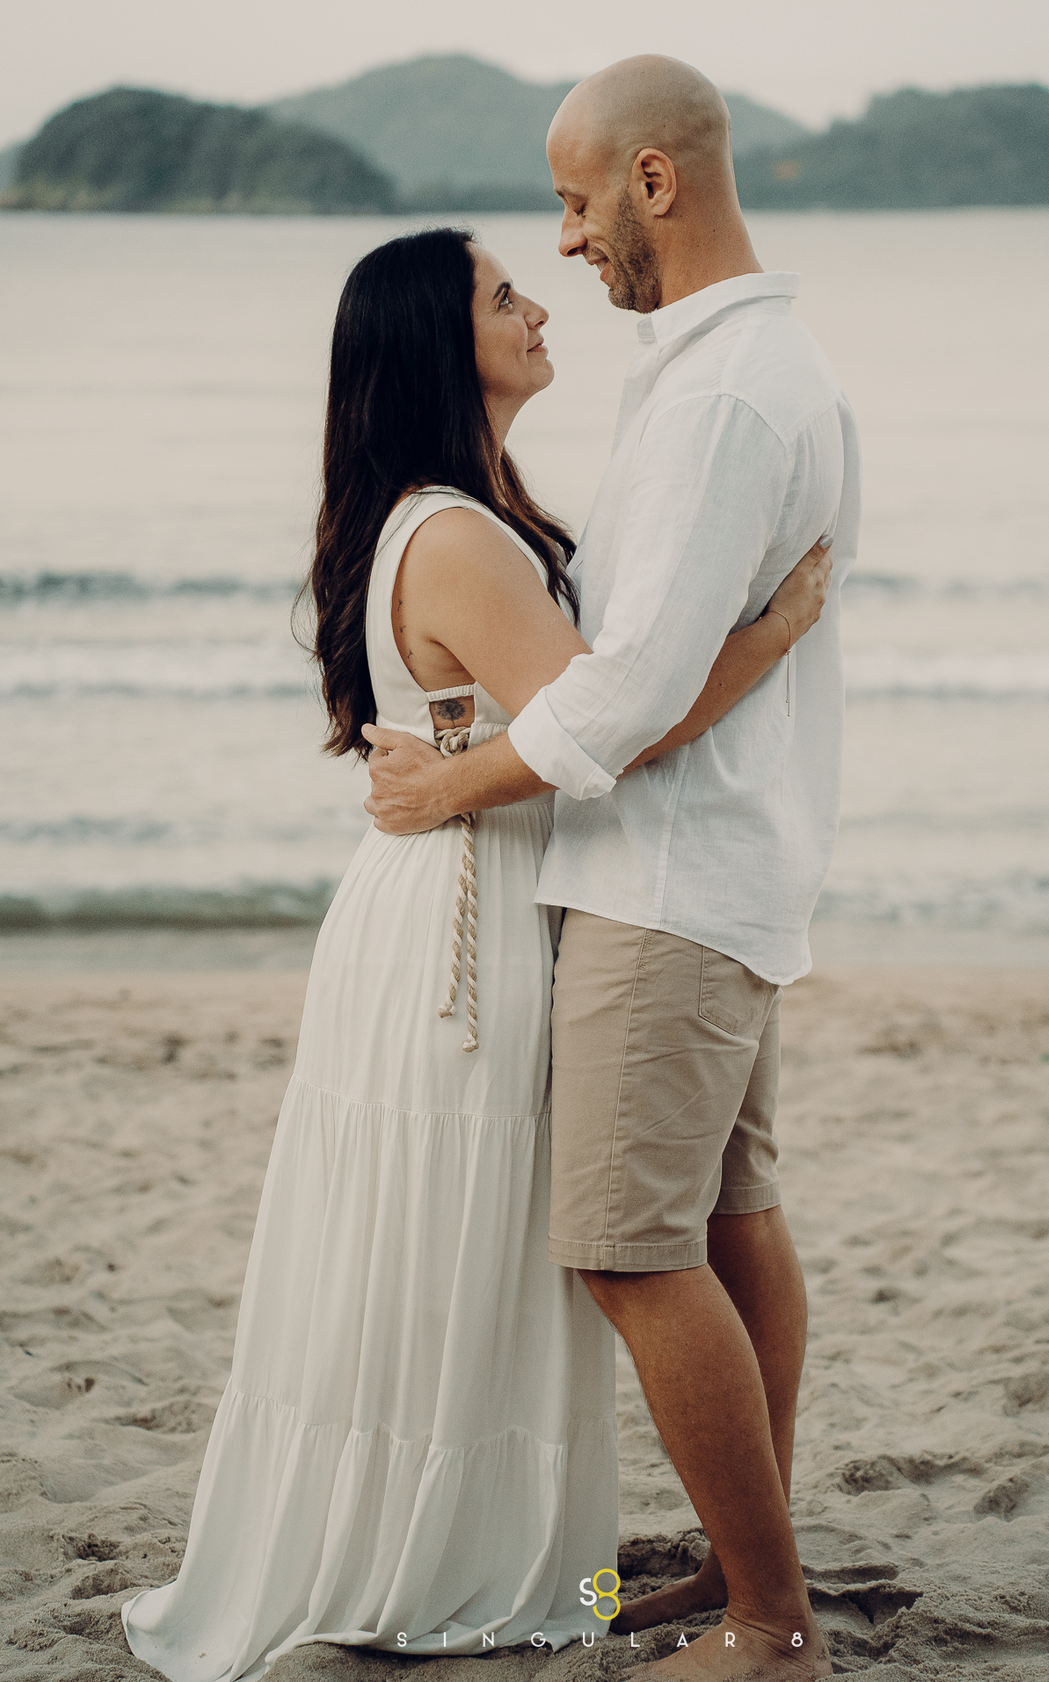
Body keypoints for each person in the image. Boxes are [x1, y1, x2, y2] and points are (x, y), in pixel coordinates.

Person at [121, 224, 832, 1682]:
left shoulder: (471, 512)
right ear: (442, 349)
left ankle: (571, 1556)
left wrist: (455, 768)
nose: (538, 305)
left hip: (472, 890)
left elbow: (557, 718)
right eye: (504, 296)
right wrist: (772, 638)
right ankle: (471, 1560)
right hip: (469, 920)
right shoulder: (454, 533)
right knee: (464, 1246)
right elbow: (613, 731)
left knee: (478, 1247)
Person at [363, 56, 862, 1682]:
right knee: (729, 1218)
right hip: (725, 867)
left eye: (576, 204)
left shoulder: (720, 397)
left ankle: (767, 1623)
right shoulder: (740, 369)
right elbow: (667, 658)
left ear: (655, 181)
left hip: (666, 884)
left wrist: (449, 787)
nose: (567, 242)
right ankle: (740, 1571)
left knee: (625, 1247)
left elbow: (629, 695)